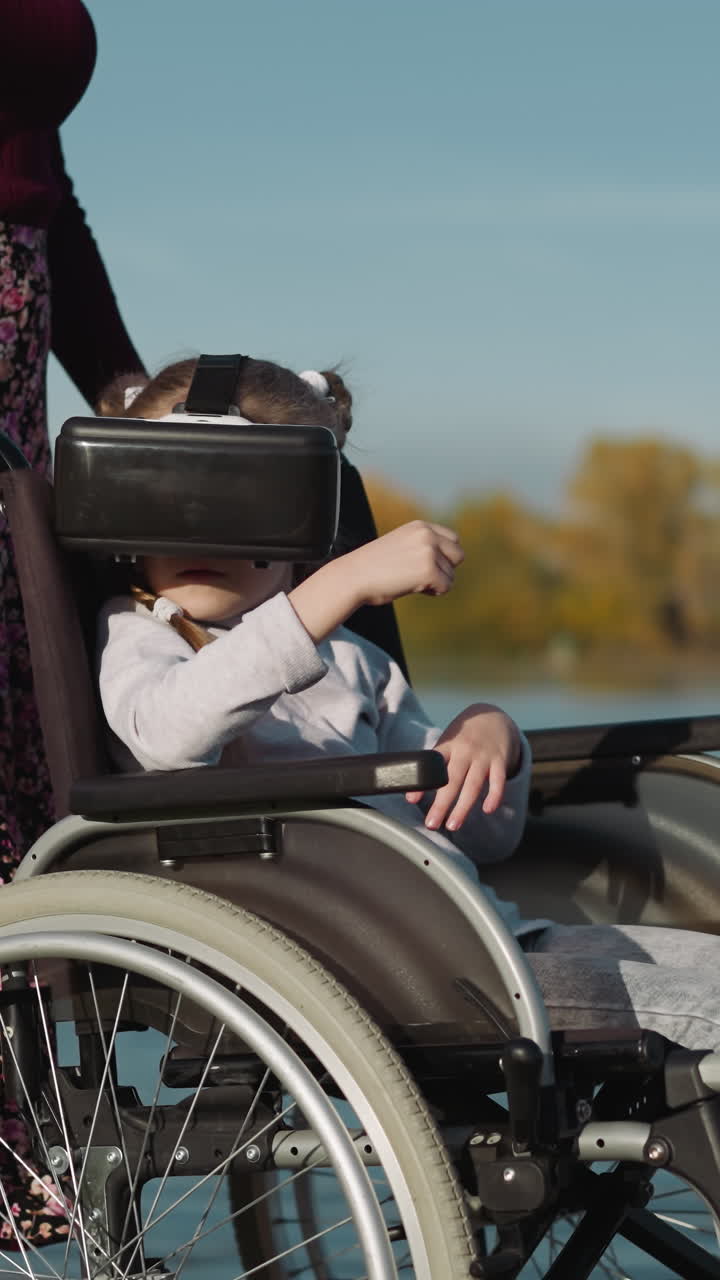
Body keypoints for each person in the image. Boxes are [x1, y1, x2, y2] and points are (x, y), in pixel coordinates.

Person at [97, 356, 720, 1056]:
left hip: (491, 935)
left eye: (237, 501)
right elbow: (170, 736)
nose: (196, 532)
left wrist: (491, 738)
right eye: (167, 501)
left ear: (307, 516)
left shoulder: (355, 661)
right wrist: (338, 586)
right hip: (383, 969)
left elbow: (481, 839)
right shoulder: (139, 635)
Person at [1, 0, 145, 1242]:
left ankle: (24, 1124)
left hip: (15, 381)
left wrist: (125, 388)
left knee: (26, 741)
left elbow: (45, 189)